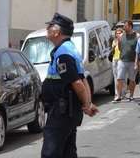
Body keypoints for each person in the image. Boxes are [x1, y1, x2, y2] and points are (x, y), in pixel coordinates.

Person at [41, 13, 98, 158]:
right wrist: (88, 103)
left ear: (57, 32)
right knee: (68, 151)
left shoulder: (63, 54)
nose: (47, 29)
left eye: (50, 26)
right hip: (66, 110)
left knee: (51, 152)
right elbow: (82, 78)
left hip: (62, 110)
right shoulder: (69, 49)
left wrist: (86, 105)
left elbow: (78, 83)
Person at [114, 20, 138, 103]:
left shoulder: (137, 36)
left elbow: (137, 50)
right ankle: (118, 95)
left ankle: (131, 95)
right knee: (119, 78)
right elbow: (120, 47)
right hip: (122, 60)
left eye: (125, 26)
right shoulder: (121, 36)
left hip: (132, 61)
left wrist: (136, 62)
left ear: (130, 26)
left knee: (132, 79)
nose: (124, 27)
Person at [112, 28, 125, 98]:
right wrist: (113, 47)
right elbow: (113, 51)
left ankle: (123, 93)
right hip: (115, 59)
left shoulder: (124, 41)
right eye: (117, 33)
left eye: (119, 33)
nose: (118, 34)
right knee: (116, 77)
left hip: (121, 59)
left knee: (122, 77)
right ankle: (117, 93)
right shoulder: (114, 41)